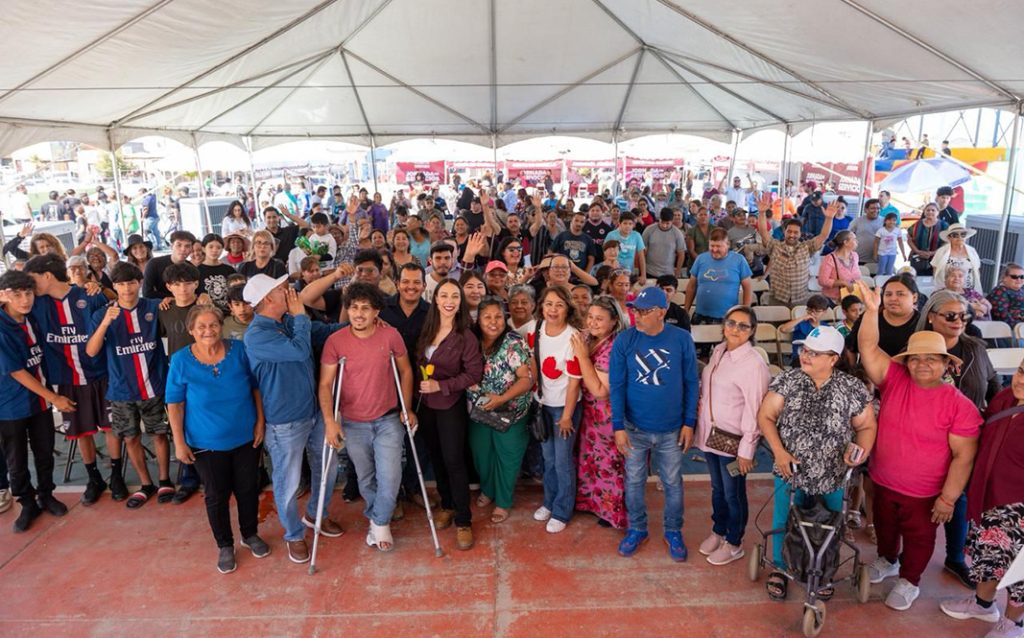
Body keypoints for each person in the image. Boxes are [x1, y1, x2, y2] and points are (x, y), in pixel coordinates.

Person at [855, 280, 981, 611]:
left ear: (946, 363)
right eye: (915, 358)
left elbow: (964, 456)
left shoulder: (960, 405)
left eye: (931, 359)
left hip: (925, 494)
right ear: (907, 362)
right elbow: (868, 347)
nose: (922, 364)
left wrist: (948, 498)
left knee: (920, 539)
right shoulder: (894, 379)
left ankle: (910, 580)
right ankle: (887, 560)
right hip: (884, 481)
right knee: (885, 529)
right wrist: (871, 311)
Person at [757, 325, 876, 600]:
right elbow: (766, 416)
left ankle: (823, 570)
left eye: (814, 353)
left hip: (834, 474)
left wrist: (860, 451)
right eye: (805, 350)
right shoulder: (788, 380)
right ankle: (780, 567)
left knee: (831, 523)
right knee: (785, 518)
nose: (805, 355)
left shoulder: (851, 388)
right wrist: (779, 452)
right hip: (791, 470)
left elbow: (867, 426)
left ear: (833, 358)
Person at [243, 274, 341, 564]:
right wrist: (300, 317)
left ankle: (316, 514)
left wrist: (361, 324)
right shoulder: (257, 335)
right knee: (288, 481)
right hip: (284, 421)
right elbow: (299, 351)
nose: (289, 291)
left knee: (329, 466)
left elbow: (324, 332)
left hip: (314, 411)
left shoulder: (287, 321)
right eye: (281, 289)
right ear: (267, 299)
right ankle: (294, 534)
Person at [166, 305, 269, 573]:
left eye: (213, 325)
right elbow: (175, 404)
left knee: (248, 488)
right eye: (201, 326)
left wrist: (260, 422)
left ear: (221, 326)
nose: (208, 331)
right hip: (205, 443)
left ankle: (250, 534)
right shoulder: (180, 360)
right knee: (216, 495)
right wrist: (179, 442)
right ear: (191, 330)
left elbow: (256, 388)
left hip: (245, 437)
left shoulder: (240, 351)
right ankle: (225, 544)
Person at [319, 283, 415, 552]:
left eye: (365, 308)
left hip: (387, 418)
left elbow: (406, 371)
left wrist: (407, 407)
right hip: (353, 421)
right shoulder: (335, 341)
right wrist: (329, 421)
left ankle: (380, 523)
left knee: (391, 476)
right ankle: (377, 517)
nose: (359, 314)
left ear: (376, 312)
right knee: (365, 476)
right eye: (353, 308)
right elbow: (325, 384)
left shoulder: (390, 336)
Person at [23, 255, 123, 506]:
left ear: (47, 276)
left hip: (101, 374)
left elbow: (112, 317)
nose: (30, 286)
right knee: (80, 431)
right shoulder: (35, 303)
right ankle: (94, 478)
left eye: (33, 279)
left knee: (111, 427)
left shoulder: (89, 295)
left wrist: (99, 287)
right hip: (67, 379)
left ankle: (116, 475)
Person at [917, 289, 1000, 586]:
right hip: (925, 436)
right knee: (919, 497)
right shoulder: (916, 348)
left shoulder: (975, 348)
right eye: (950, 315)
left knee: (958, 496)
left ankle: (954, 557)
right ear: (931, 317)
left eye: (964, 316)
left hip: (966, 437)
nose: (958, 321)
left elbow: (993, 384)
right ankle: (908, 556)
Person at [610, 287, 699, 561]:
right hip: (634, 428)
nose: (637, 315)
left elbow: (691, 382)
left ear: (662, 312)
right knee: (634, 481)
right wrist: (618, 427)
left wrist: (689, 422)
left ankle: (673, 530)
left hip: (672, 429)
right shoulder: (625, 340)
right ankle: (637, 528)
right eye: (635, 310)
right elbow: (617, 385)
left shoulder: (682, 339)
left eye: (645, 311)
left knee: (672, 481)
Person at [940, 362, 1024, 636]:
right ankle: (983, 605)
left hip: (1019, 508)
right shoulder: (1005, 398)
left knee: (1019, 569)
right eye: (1022, 371)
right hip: (989, 497)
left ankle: (1014, 623)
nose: (1021, 380)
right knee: (987, 554)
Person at [85, 262, 173, 509]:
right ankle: (146, 484)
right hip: (122, 391)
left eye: (131, 283)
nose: (127, 289)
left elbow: (177, 306)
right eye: (121, 284)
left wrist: (171, 300)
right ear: (114, 286)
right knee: (130, 438)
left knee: (159, 434)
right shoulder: (102, 314)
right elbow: (91, 351)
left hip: (154, 386)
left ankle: (164, 480)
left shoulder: (154, 307)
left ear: (140, 283)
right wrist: (105, 323)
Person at [696, 305, 770, 565]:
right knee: (717, 489)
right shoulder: (719, 351)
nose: (735, 329)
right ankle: (719, 530)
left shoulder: (753, 364)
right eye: (731, 323)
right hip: (712, 436)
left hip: (734, 443)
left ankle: (734, 541)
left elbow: (755, 409)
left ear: (752, 331)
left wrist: (747, 450)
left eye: (743, 326)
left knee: (733, 494)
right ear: (724, 325)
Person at [0, 270, 73, 532]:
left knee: (45, 450)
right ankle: (27, 502)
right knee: (16, 458)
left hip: (40, 402)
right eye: (17, 294)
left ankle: (46, 494)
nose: (24, 300)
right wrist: (54, 397)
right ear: (3, 296)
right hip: (10, 406)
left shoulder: (34, 316)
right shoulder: (2, 327)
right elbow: (16, 371)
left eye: (28, 293)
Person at [416, 280, 483, 550]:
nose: (449, 301)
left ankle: (463, 520)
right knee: (437, 458)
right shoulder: (427, 328)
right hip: (426, 405)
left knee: (454, 461)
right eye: (444, 295)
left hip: (450, 405)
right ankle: (447, 505)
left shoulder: (465, 336)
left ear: (460, 302)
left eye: (455, 296)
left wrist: (441, 386)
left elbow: (473, 374)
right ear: (435, 298)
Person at [467, 296, 534, 524]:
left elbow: (526, 379)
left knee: (508, 457)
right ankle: (488, 490)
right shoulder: (471, 339)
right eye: (487, 317)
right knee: (482, 455)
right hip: (480, 411)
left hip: (511, 411)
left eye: (498, 317)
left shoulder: (513, 342)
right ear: (478, 319)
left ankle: (503, 502)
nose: (493, 322)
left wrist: (502, 398)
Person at [530, 286, 584, 534]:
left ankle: (562, 510)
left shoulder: (573, 337)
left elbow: (574, 382)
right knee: (548, 459)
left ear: (568, 309)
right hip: (543, 404)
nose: (553, 309)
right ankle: (549, 502)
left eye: (559, 305)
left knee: (563, 461)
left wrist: (566, 416)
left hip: (564, 408)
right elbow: (534, 362)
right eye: (549, 304)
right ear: (542, 306)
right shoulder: (536, 329)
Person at [572, 295, 628, 529]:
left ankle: (611, 512)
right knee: (590, 459)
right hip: (589, 413)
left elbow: (600, 390)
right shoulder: (589, 337)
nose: (592, 323)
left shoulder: (613, 347)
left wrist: (582, 356)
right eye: (590, 317)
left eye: (599, 319)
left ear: (614, 321)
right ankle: (590, 503)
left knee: (608, 465)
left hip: (607, 415)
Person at [755, 194, 837, 307]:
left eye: (795, 232)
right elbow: (763, 232)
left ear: (800, 233)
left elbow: (823, 235)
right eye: (789, 231)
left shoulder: (807, 247)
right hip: (777, 299)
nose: (792, 235)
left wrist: (829, 218)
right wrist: (762, 213)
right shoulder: (775, 246)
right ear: (784, 232)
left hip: (800, 299)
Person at [685, 228, 753, 325]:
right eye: (712, 246)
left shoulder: (739, 260)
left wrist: (745, 314)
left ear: (728, 245)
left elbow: (748, 288)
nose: (714, 250)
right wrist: (686, 311)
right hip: (700, 316)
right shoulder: (700, 259)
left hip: (728, 317)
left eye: (718, 246)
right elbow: (691, 286)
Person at [845, 272, 920, 359]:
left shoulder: (922, 322)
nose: (893, 299)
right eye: (888, 294)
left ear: (914, 297)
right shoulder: (869, 317)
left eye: (900, 294)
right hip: (870, 367)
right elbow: (850, 347)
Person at [779, 294, 833, 364]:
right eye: (810, 310)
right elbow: (783, 329)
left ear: (824, 311)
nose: (812, 314)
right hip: (800, 358)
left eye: (817, 311)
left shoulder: (826, 327)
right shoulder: (801, 324)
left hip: (817, 359)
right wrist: (802, 318)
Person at [142, 230, 196, 300]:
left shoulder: (191, 267)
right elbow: (147, 293)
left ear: (191, 249)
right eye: (179, 245)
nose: (183, 249)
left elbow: (195, 292)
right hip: (159, 303)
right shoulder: (154, 264)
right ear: (171, 246)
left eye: (187, 246)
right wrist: (171, 298)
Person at [932, 224, 982, 292]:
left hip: (968, 290)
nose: (959, 237)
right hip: (946, 290)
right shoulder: (941, 251)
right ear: (949, 237)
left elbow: (977, 270)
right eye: (955, 235)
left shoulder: (972, 251)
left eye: (963, 234)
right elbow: (935, 269)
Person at [817, 230, 860, 304]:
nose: (857, 241)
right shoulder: (829, 258)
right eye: (854, 239)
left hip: (851, 298)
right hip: (833, 301)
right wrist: (843, 283)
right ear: (845, 242)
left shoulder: (855, 256)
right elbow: (822, 280)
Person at [643, 208, 687, 279]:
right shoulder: (649, 230)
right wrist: (642, 271)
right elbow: (642, 251)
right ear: (659, 219)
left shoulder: (677, 234)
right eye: (662, 222)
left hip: (668, 273)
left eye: (667, 223)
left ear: (672, 221)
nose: (664, 225)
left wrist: (678, 271)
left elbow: (681, 254)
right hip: (649, 271)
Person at [197, 234, 235, 312]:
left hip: (229, 313)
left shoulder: (229, 270)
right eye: (211, 247)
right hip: (207, 313)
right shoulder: (196, 271)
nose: (215, 250)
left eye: (218, 247)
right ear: (203, 249)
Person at [907, 202, 947, 276]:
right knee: (917, 279)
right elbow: (909, 240)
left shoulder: (944, 226)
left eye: (933, 210)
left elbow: (947, 243)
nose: (930, 212)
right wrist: (918, 251)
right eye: (928, 210)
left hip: (937, 259)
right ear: (924, 212)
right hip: (918, 259)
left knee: (934, 280)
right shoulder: (917, 225)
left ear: (938, 212)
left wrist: (932, 253)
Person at [605, 213, 646, 281]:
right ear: (620, 223)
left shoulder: (637, 236)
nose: (627, 226)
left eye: (630, 224)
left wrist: (643, 275)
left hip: (629, 273)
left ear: (634, 225)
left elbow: (641, 256)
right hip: (613, 273)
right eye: (625, 223)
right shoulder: (611, 235)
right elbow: (605, 255)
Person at [988, 262, 1024, 328]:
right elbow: (1002, 316)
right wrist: (1019, 327)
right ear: (1005, 278)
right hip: (1006, 329)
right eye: (1014, 277)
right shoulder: (1000, 291)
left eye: (1022, 277)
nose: (1019, 279)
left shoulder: (1022, 291)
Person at [850, 198, 884, 267]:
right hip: (859, 259)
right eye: (873, 208)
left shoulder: (884, 221)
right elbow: (847, 235)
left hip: (878, 260)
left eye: (878, 208)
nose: (876, 210)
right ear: (865, 210)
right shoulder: (857, 221)